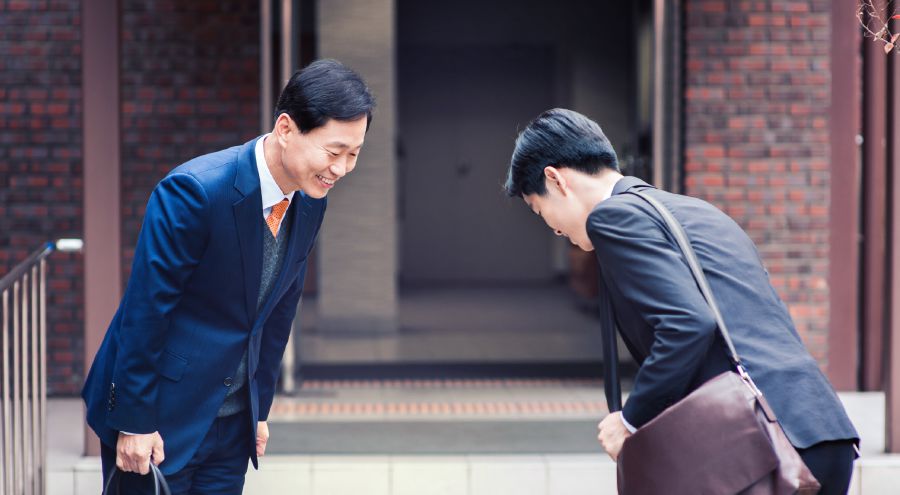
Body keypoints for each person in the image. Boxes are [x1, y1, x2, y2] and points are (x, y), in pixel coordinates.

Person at [503, 108, 859, 494]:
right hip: (817, 429)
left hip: (762, 444)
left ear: (555, 179)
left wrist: (632, 421)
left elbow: (688, 323)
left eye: (540, 209)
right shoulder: (697, 211)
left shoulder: (613, 217)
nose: (553, 227)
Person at [82, 59, 375, 494]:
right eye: (334, 152)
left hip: (232, 424)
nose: (342, 169)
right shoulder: (196, 191)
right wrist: (135, 420)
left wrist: (259, 408)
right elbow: (146, 312)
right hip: (161, 419)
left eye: (354, 155)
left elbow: (279, 311)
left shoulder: (311, 200)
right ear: (286, 128)